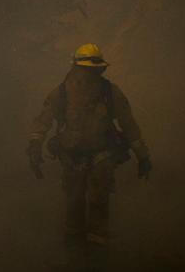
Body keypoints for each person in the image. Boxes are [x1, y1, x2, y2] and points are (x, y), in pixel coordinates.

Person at [27, 43, 151, 256]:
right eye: (83, 70)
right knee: (74, 203)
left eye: (91, 70)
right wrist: (34, 147)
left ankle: (96, 256)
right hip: (72, 157)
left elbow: (129, 125)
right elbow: (43, 121)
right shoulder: (61, 93)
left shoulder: (110, 92)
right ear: (75, 68)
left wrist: (143, 156)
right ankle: (75, 254)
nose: (86, 75)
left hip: (101, 157)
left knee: (98, 203)